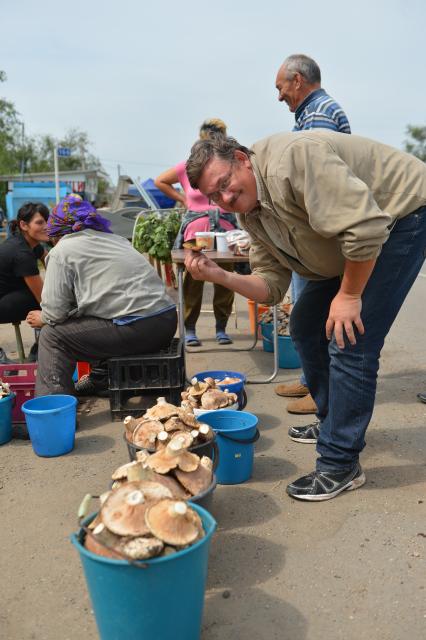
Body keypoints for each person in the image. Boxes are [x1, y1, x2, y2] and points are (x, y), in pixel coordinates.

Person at [182, 132, 426, 501]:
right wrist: (219, 275)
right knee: (305, 324)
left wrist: (349, 294)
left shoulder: (293, 161)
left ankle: (340, 463)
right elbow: (271, 287)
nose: (225, 199)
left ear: (242, 159)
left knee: (351, 338)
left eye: (225, 184)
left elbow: (365, 228)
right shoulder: (251, 215)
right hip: (357, 236)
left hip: (401, 217)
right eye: (214, 196)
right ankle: (332, 424)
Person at [26, 194, 177, 397]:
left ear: (57, 229)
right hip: (166, 321)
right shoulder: (115, 239)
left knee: (52, 336)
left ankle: (53, 405)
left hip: (139, 328)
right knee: (89, 318)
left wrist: (42, 318)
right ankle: (101, 379)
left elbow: (54, 312)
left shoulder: (62, 251)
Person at [274, 54, 351, 415]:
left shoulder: (318, 115)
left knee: (314, 316)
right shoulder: (312, 112)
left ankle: (323, 392)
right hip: (314, 231)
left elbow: (317, 180)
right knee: (308, 313)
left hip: (320, 235)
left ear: (298, 80)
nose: (279, 96)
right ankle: (312, 381)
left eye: (281, 87)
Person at [154, 118, 238, 347]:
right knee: (193, 277)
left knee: (226, 279)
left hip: (224, 230)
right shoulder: (188, 166)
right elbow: (160, 181)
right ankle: (190, 328)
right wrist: (183, 199)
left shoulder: (227, 164)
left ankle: (221, 327)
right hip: (195, 232)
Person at [0, 202, 49, 363]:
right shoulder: (22, 253)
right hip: (3, 303)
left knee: (53, 296)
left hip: (8, 296)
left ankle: (40, 348)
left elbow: (53, 264)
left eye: (48, 221)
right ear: (24, 225)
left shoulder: (31, 244)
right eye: (40, 222)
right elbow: (43, 299)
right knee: (51, 302)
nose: (46, 226)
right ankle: (41, 349)